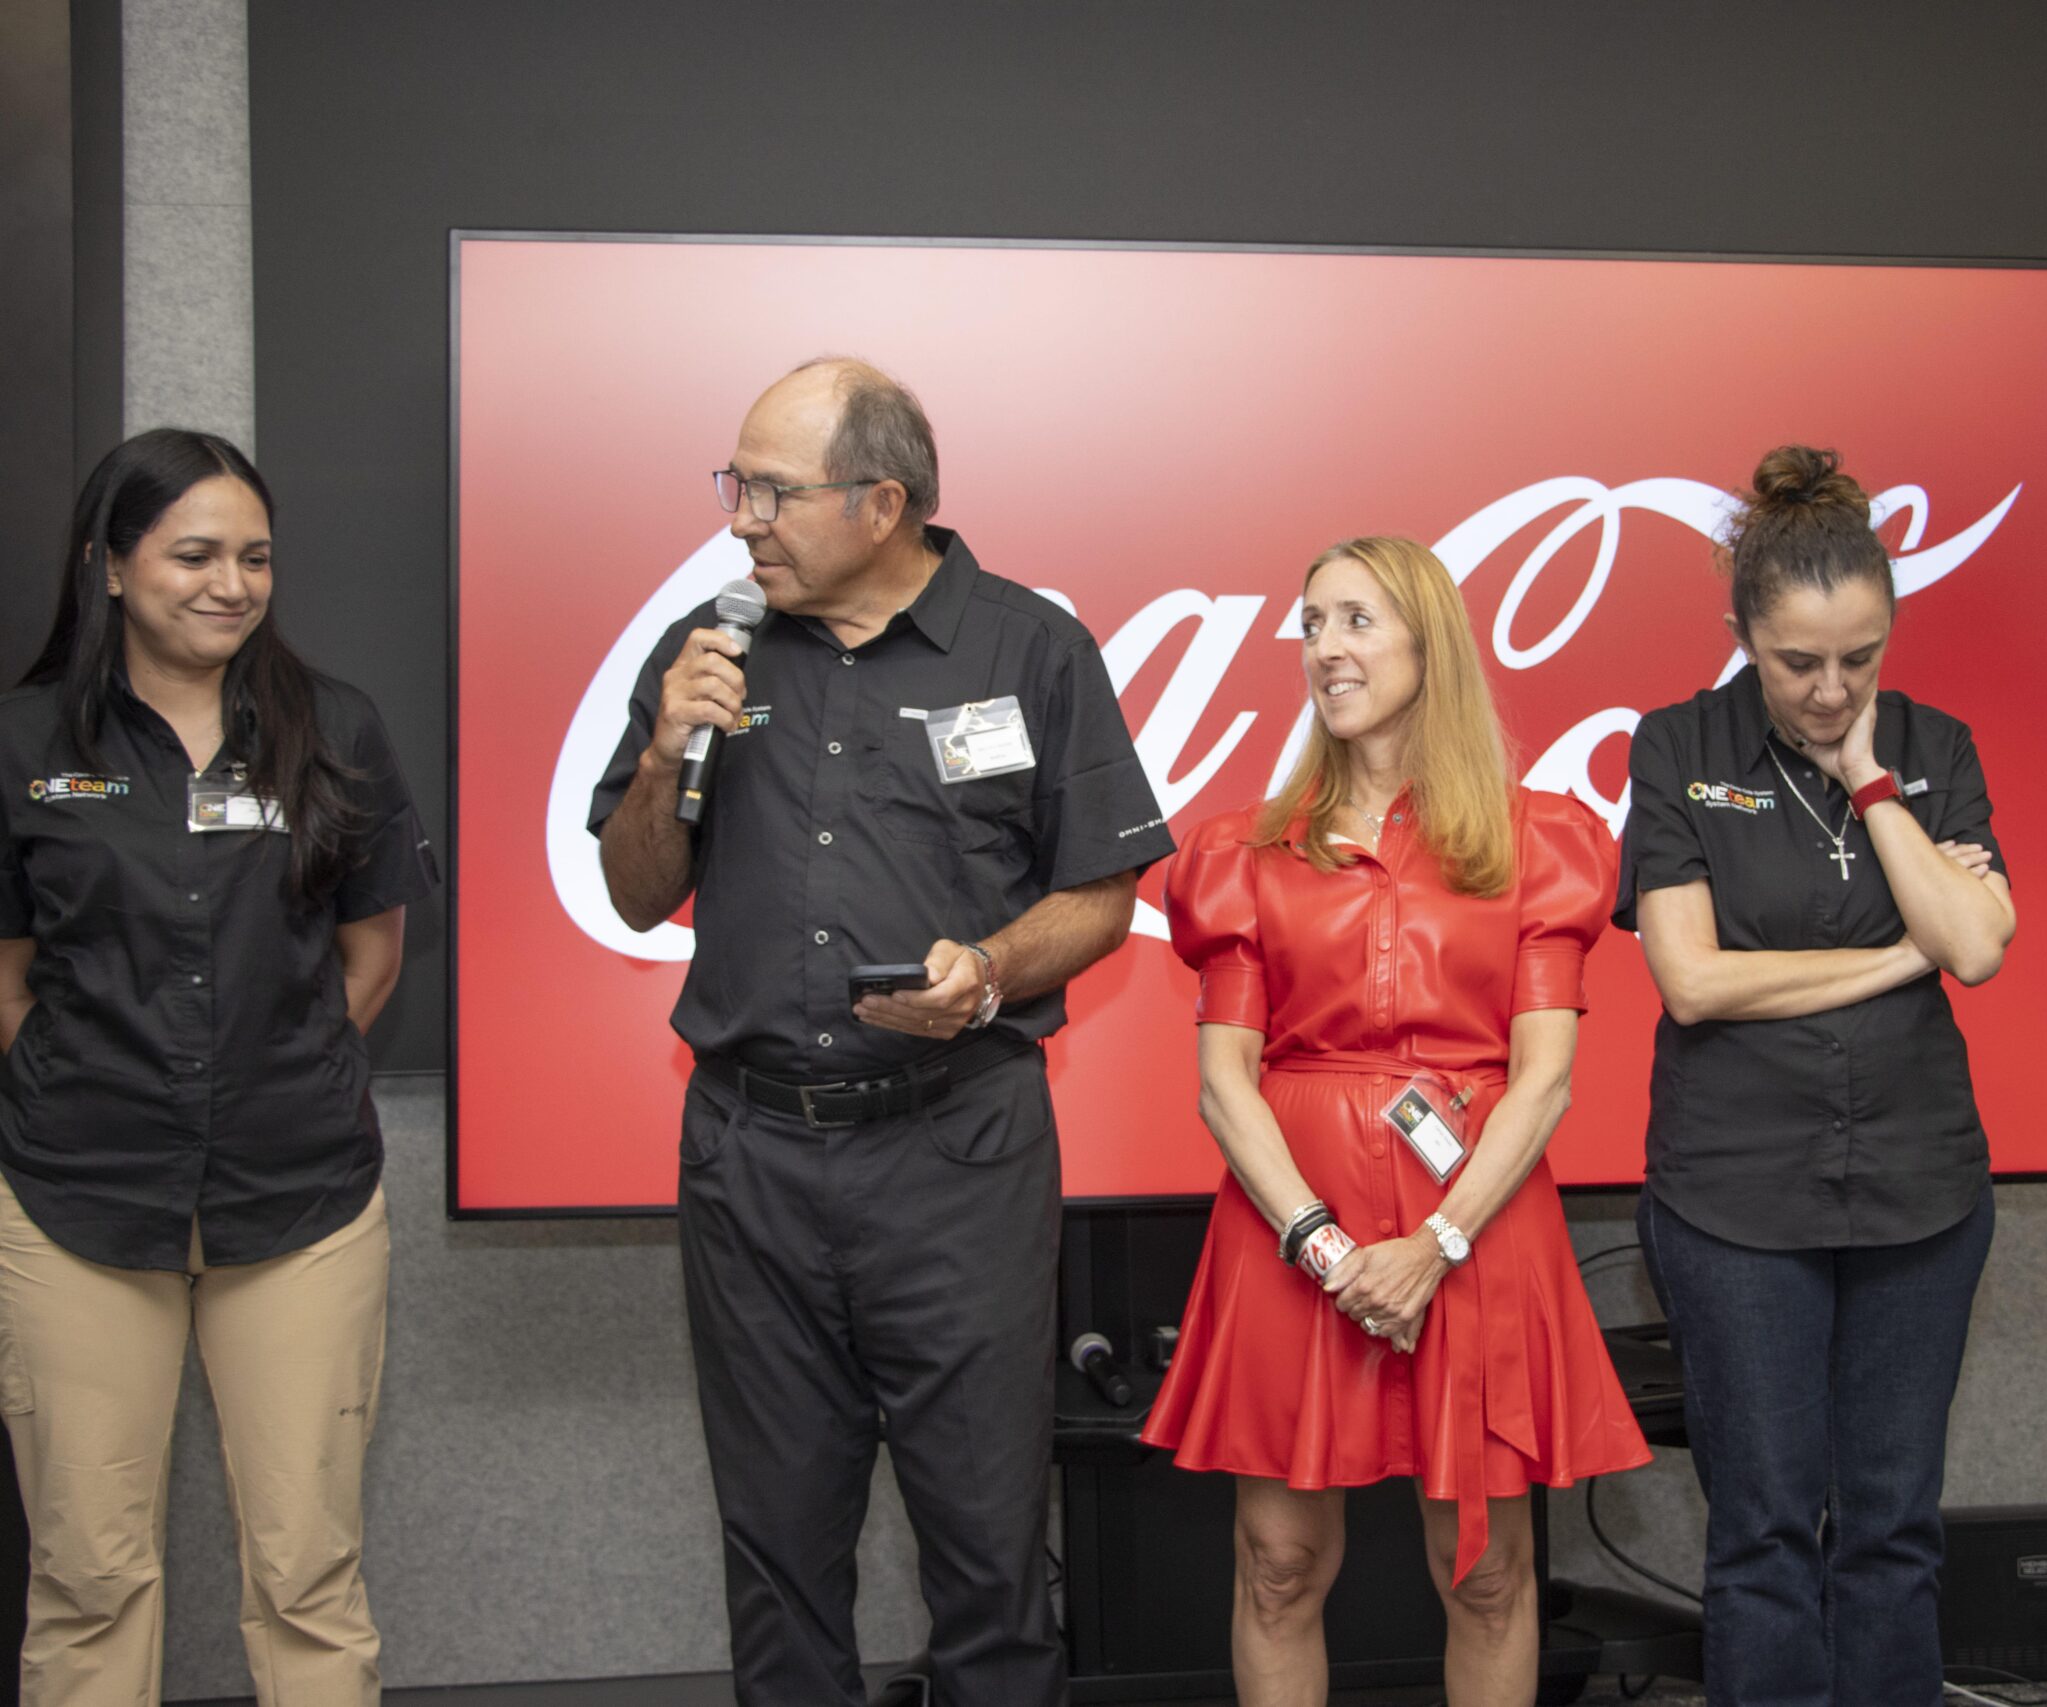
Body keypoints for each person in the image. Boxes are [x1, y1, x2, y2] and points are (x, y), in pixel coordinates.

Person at [590, 358, 1172, 1707]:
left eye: (772, 492)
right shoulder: (709, 647)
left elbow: (1100, 895)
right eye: (735, 486)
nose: (742, 519)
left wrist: (989, 969)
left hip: (956, 1150)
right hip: (750, 1157)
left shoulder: (1031, 648)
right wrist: (668, 752)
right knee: (778, 1551)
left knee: (987, 1550)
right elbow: (635, 889)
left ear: (883, 502)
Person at [1140, 534, 1650, 1707]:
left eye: (1357, 621)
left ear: (1431, 648)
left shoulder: (1538, 842)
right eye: (1312, 624)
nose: (1325, 647)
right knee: (1276, 1565)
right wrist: (1319, 1243)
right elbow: (1225, 1083)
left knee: (1487, 1574)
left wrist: (1438, 1242)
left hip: (1475, 1231)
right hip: (1288, 1233)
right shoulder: (1244, 854)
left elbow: (1544, 1079)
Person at [0, 428, 435, 1705]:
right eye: (194, 555)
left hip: (298, 1203)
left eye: (254, 557)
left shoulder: (335, 727)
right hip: (79, 1205)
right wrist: (101, 1085)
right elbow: (9, 980)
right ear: (110, 564)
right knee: (88, 1577)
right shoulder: (25, 740)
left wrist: (268, 1078)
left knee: (308, 1574)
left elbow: (370, 959)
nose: (230, 585)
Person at [1615, 446, 2016, 1705]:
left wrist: (1873, 781)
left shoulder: (1934, 747)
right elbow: (1693, 981)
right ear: (1742, 635)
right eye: (1798, 663)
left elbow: (1975, 951)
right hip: (1734, 1198)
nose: (1833, 690)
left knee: (1893, 1528)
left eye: (1861, 658)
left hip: (1919, 1190)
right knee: (1765, 1532)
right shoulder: (1676, 747)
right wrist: (1899, 955)